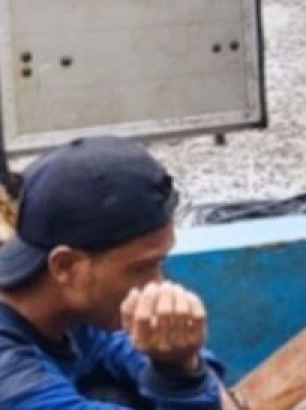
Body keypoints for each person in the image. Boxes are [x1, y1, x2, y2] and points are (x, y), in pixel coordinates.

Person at [0, 136, 239, 409]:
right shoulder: (11, 379)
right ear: (65, 265)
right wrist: (180, 376)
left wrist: (180, 362)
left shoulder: (67, 303)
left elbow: (126, 343)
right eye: (141, 268)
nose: (157, 284)